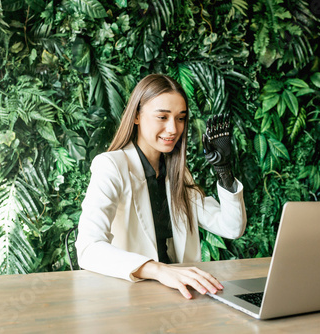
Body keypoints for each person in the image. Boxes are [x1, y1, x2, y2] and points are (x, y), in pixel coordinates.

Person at [75, 74, 246, 299]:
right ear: (136, 116)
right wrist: (159, 270)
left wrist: (224, 171)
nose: (173, 129)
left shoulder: (178, 173)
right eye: (162, 117)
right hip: (130, 295)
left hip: (180, 294)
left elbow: (232, 228)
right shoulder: (111, 166)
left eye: (181, 118)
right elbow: (88, 248)